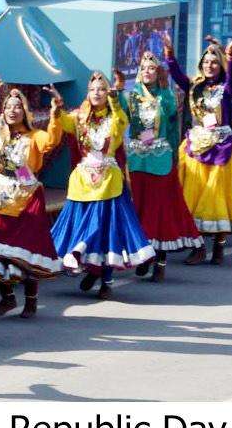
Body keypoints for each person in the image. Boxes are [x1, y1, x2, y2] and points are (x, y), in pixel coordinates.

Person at [49, 72, 154, 298]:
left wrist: (116, 100)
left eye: (101, 89)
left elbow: (121, 122)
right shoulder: (80, 117)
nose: (96, 93)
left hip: (108, 182)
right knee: (81, 226)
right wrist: (58, 106)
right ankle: (90, 268)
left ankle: (105, 279)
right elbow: (64, 123)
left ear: (108, 93)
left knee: (106, 232)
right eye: (93, 89)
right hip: (83, 181)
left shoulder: (115, 116)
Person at [0, 77, 64, 319]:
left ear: (25, 111)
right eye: (8, 107)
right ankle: (8, 298)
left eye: (17, 106)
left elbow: (52, 141)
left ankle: (31, 301)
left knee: (26, 251)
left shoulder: (35, 136)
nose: (13, 111)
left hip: (27, 198)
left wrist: (55, 113)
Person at [167, 37, 232, 264]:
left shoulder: (227, 87)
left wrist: (230, 55)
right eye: (206, 62)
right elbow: (177, 77)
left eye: (214, 62)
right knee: (192, 197)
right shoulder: (195, 86)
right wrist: (169, 54)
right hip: (196, 145)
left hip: (222, 147)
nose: (209, 66)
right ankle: (198, 247)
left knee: (217, 199)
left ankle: (219, 246)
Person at [115, 55, 202, 281]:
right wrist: (117, 89)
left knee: (160, 212)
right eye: (143, 68)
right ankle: (146, 256)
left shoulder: (166, 96)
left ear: (158, 72)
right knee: (140, 212)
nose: (147, 72)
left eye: (152, 68)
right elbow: (119, 114)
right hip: (137, 161)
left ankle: (160, 262)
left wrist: (175, 154)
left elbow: (172, 123)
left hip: (161, 160)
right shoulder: (132, 97)